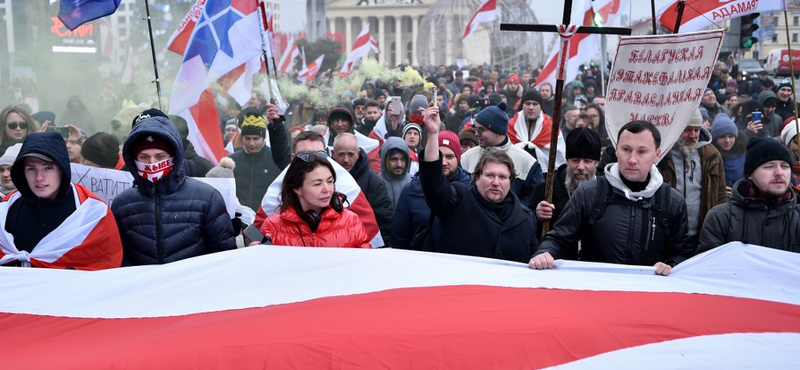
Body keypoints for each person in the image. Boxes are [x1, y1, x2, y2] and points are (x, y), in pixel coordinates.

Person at [530, 121, 693, 276]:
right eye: (626, 149)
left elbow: (682, 254)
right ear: (616, 150)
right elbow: (559, 238)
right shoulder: (590, 193)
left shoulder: (672, 202)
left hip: (648, 295)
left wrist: (671, 266)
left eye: (642, 151)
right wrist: (545, 253)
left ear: (657, 155)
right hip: (596, 294)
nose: (632, 159)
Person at [418, 104, 539, 262]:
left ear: (511, 180)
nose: (496, 182)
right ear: (476, 177)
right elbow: (433, 184)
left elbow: (533, 259)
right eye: (489, 175)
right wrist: (433, 134)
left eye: (502, 177)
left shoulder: (525, 219)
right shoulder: (458, 201)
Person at [111, 115, 235, 265]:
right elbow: (120, 258)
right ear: (133, 159)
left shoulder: (207, 198)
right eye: (144, 157)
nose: (152, 163)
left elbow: (225, 255)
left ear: (174, 156)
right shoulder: (122, 204)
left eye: (160, 156)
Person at [0, 132, 122, 269]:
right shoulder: (6, 209)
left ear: (62, 169)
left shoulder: (93, 212)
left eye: (48, 168)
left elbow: (106, 264)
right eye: (31, 169)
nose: (39, 177)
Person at [698, 137, 800, 253]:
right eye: (769, 167)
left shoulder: (797, 218)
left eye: (785, 166)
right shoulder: (722, 218)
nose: (779, 173)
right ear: (750, 174)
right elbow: (708, 267)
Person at [260, 151, 371, 248]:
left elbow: (365, 264)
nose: (327, 189)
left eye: (330, 181)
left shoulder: (351, 222)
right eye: (317, 184)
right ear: (297, 188)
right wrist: (255, 255)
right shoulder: (272, 226)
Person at [659, 109, 727, 249]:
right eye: (688, 130)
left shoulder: (712, 155)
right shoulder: (661, 154)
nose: (693, 135)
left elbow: (720, 195)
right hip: (667, 234)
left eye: (697, 130)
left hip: (702, 234)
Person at [393, 130, 472, 250]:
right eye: (439, 156)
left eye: (450, 156)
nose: (444, 162)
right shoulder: (411, 190)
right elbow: (399, 238)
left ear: (458, 159)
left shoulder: (471, 188)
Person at [461, 102, 543, 203]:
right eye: (476, 129)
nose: (476, 134)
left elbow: (533, 200)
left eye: (481, 130)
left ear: (497, 131)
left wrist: (513, 214)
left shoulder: (527, 163)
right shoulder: (465, 158)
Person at [529, 127, 600, 240]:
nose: (581, 167)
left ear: (596, 163)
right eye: (575, 160)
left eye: (587, 161)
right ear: (567, 161)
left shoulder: (607, 192)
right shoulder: (545, 190)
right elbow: (526, 230)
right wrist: (536, 216)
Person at [332, 133, 394, 246]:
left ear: (358, 154)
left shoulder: (374, 182)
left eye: (350, 154)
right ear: (333, 154)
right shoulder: (324, 179)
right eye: (341, 154)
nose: (346, 160)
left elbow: (385, 221)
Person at [229, 107, 291, 210]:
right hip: (240, 219)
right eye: (247, 138)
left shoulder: (277, 159)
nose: (251, 143)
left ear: (263, 138)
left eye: (256, 139)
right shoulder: (232, 161)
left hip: (268, 217)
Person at [506, 89, 567, 172]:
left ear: (540, 106)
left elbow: (559, 155)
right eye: (527, 104)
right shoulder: (510, 126)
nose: (531, 107)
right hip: (515, 173)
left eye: (535, 104)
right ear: (522, 105)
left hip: (544, 175)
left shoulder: (552, 128)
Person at [711, 114, 747, 197]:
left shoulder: (743, 154)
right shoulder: (710, 157)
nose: (727, 140)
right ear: (715, 139)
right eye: (722, 137)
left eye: (731, 136)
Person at [379, 137, 412, 208]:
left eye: (403, 159)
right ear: (385, 160)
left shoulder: (413, 183)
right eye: (394, 159)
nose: (399, 164)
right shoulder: (376, 184)